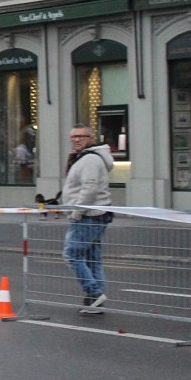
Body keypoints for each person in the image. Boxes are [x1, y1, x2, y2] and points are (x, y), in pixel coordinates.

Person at [61, 124, 113, 315]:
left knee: (72, 255)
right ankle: (94, 302)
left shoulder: (90, 159)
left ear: (91, 138)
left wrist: (77, 212)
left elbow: (89, 188)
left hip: (88, 216)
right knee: (93, 260)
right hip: (96, 214)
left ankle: (94, 292)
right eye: (73, 137)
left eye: (81, 136)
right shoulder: (88, 158)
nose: (76, 140)